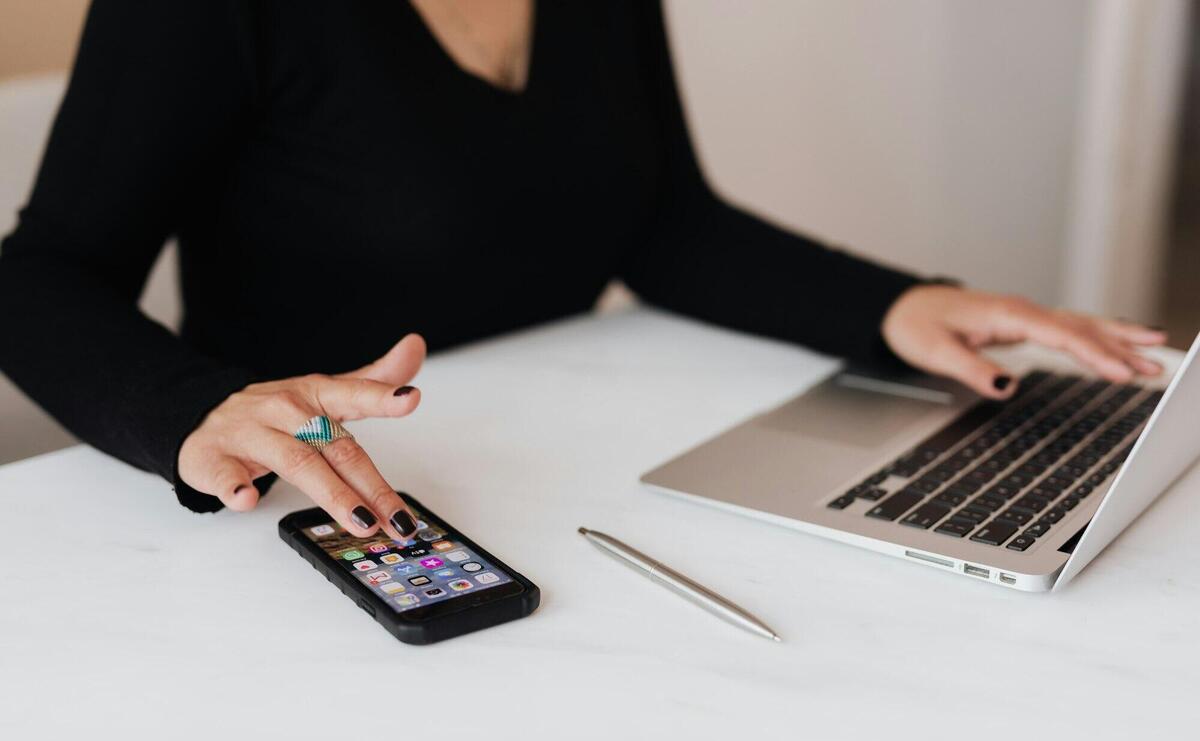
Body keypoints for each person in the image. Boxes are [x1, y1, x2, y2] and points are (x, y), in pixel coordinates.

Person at [0, 0, 1165, 542]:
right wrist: (194, 413)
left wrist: (900, 305)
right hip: (323, 512)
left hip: (575, 481)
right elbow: (39, 278)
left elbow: (660, 221)